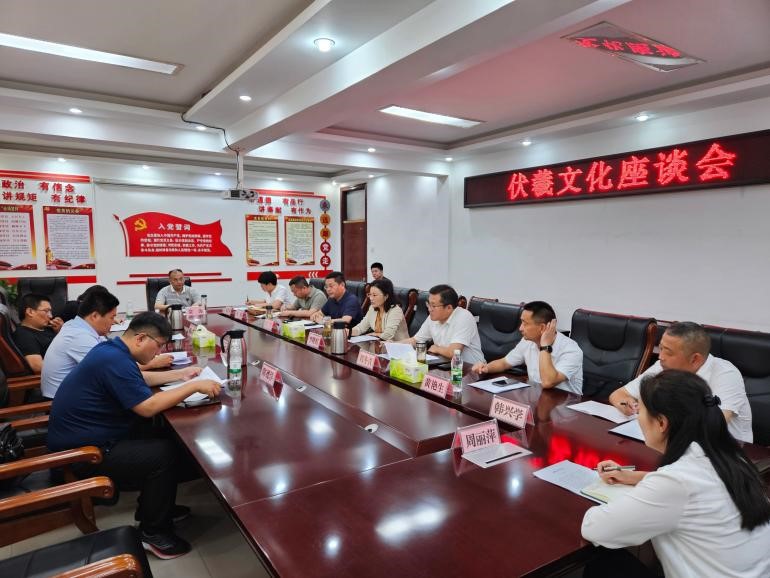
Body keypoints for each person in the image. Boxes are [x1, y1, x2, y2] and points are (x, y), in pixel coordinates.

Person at [48, 312, 220, 559]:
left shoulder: (112, 351)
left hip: (94, 436)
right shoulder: (113, 359)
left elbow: (139, 378)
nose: (158, 353)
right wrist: (192, 386)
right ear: (140, 339)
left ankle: (158, 507)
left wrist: (181, 375)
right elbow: (147, 407)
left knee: (164, 433)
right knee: (163, 454)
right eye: (158, 346)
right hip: (84, 453)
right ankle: (152, 532)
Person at [581, 370, 770, 578]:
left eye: (640, 411)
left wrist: (640, 494)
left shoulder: (676, 483)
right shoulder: (731, 457)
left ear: (662, 423)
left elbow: (594, 528)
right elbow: (695, 486)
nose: (638, 418)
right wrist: (633, 477)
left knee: (603, 564)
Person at [609, 321, 752, 443]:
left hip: (725, 451)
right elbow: (618, 394)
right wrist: (627, 404)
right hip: (676, 444)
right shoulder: (664, 365)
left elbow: (712, 426)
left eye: (668, 352)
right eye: (661, 348)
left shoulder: (726, 374)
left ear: (695, 359)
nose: (660, 357)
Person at [41, 286, 174, 399]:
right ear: (95, 316)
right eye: (112, 317)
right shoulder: (79, 337)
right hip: (64, 402)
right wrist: (153, 363)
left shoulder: (79, 327)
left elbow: (119, 366)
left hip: (79, 394)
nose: (113, 322)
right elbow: (121, 372)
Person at [472, 301, 582, 394]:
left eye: (525, 323)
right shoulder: (527, 341)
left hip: (564, 407)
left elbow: (548, 382)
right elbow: (505, 363)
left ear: (542, 328)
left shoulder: (571, 350)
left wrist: (545, 346)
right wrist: (486, 368)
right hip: (537, 397)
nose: (520, 328)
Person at [401, 284, 485, 364]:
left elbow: (454, 352)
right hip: (445, 364)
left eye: (433, 306)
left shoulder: (464, 317)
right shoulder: (433, 317)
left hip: (471, 369)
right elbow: (415, 340)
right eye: (428, 304)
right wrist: (394, 345)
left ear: (449, 307)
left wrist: (437, 349)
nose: (429, 309)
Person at [12, 292, 63, 373]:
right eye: (46, 311)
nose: (50, 316)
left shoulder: (45, 327)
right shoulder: (25, 336)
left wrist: (60, 332)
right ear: (30, 312)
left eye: (50, 311)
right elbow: (37, 366)